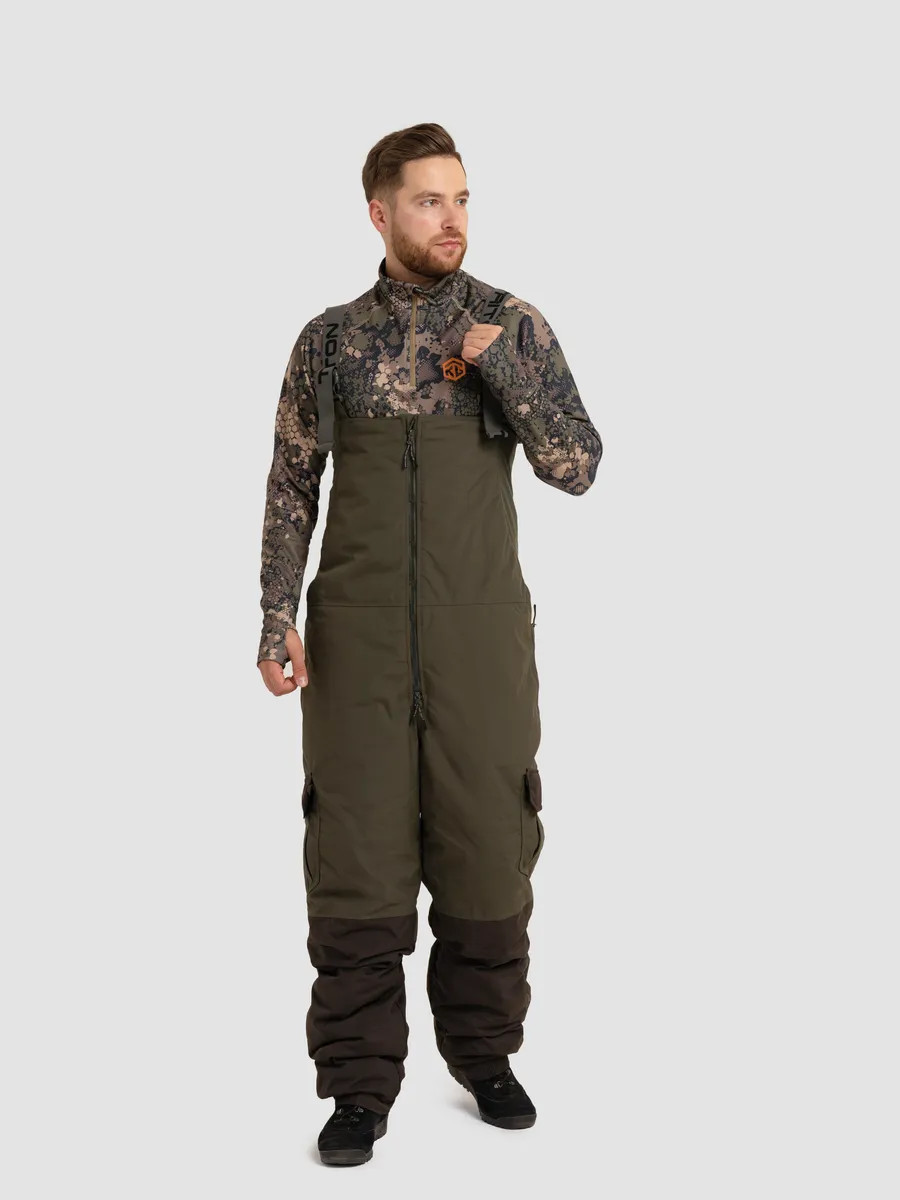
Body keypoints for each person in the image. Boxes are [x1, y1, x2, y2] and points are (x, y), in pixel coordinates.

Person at [257, 122, 603, 1167]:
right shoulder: (330, 342)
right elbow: (291, 482)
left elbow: (577, 466)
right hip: (355, 645)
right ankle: (358, 1088)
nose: (452, 220)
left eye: (461, 199)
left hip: (480, 642)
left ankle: (485, 1058)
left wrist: (507, 376)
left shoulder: (511, 324)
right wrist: (276, 613)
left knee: (489, 852)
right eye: (428, 201)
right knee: (355, 861)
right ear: (380, 213)